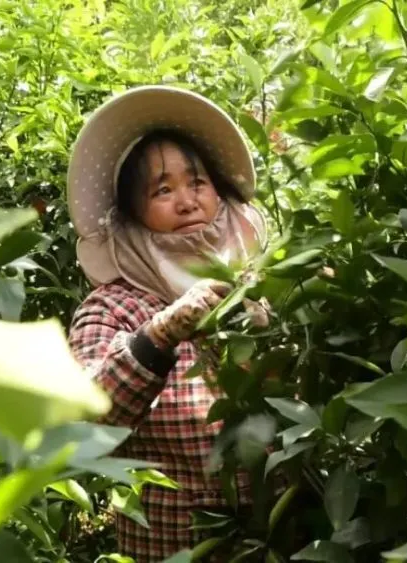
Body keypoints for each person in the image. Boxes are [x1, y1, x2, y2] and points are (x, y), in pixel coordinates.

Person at [64, 85, 269, 561]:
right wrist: (161, 333)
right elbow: (83, 418)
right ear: (131, 215)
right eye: (162, 190)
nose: (187, 201)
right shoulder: (113, 307)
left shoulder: (261, 282)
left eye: (198, 183)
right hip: (174, 545)